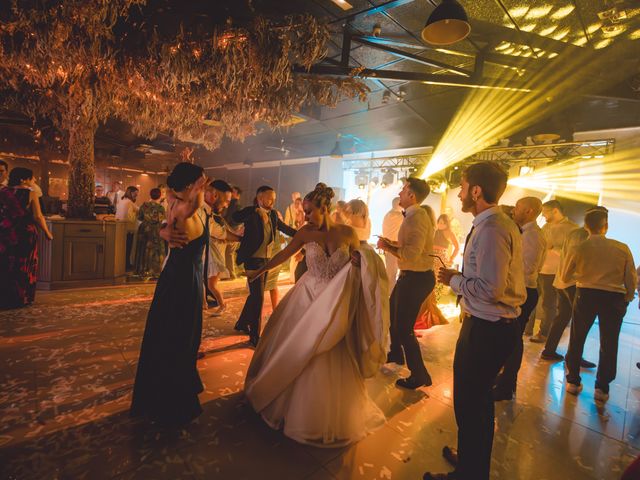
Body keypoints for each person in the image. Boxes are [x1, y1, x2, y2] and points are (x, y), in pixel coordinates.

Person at [244, 184, 389, 447]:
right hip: (307, 298)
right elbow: (283, 254)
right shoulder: (304, 233)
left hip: (336, 302)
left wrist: (358, 262)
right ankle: (289, 404)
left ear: (325, 209)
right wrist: (259, 271)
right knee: (299, 345)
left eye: (309, 212)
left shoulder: (347, 233)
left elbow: (365, 258)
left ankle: (326, 417)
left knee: (331, 350)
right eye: (304, 212)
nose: (305, 217)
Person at [426, 162, 525, 480]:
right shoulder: (493, 224)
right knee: (474, 402)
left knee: (472, 404)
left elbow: (491, 289)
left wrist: (454, 281)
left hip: (487, 328)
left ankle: (470, 472)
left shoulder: (493, 228)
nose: (459, 192)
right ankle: (471, 461)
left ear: (477, 191)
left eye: (463, 186)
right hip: (487, 325)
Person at [130, 162, 209, 426]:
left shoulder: (177, 204)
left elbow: (173, 215)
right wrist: (195, 196)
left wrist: (164, 231)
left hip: (184, 278)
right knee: (179, 338)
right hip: (181, 282)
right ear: (191, 186)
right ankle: (172, 402)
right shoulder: (184, 208)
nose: (205, 184)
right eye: (201, 181)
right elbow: (190, 208)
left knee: (177, 336)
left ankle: (169, 393)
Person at [563, 208, 637, 404]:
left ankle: (572, 381)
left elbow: (565, 276)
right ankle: (602, 387)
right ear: (606, 226)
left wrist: (583, 277)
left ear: (586, 226)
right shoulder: (622, 248)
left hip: (586, 294)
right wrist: (628, 297)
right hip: (614, 298)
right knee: (609, 342)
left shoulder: (580, 248)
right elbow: (630, 277)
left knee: (577, 337)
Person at [377, 177, 435, 389]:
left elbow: (411, 254)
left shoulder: (417, 217)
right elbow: (410, 247)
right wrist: (392, 244)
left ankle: (419, 374)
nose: (400, 193)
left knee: (404, 328)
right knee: (392, 315)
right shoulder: (412, 215)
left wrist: (386, 246)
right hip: (410, 276)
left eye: (403, 190)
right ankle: (395, 354)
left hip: (417, 278)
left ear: (412, 196)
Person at [493, 197, 546, 401]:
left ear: (529, 212)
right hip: (519, 290)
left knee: (514, 341)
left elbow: (527, 268)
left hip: (524, 291)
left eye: (518, 208)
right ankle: (505, 379)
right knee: (509, 339)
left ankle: (507, 386)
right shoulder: (524, 232)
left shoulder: (533, 236)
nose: (514, 210)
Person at [540, 206, 609, 366]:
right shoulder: (586, 236)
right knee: (580, 322)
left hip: (561, 281)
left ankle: (549, 351)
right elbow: (579, 261)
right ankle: (574, 357)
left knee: (562, 317)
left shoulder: (574, 233)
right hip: (573, 283)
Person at [232, 186, 297, 346]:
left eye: (274, 198)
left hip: (267, 260)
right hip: (253, 260)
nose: (273, 201)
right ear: (260, 198)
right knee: (259, 297)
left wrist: (302, 234)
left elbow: (285, 229)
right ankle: (254, 336)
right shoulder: (251, 212)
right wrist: (255, 211)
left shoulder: (274, 214)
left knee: (255, 295)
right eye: (269, 198)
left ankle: (241, 323)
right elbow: (235, 216)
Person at [0, 167, 54, 308]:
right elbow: (37, 216)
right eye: (32, 178)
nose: (34, 180)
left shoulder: (3, 192)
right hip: (24, 233)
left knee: (7, 264)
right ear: (23, 179)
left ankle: (5, 297)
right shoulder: (30, 193)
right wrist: (47, 233)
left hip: (6, 233)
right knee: (25, 265)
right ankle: (22, 297)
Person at [529, 200, 578, 342]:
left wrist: (553, 248)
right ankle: (526, 329)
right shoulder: (546, 226)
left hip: (553, 272)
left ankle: (544, 333)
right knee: (531, 299)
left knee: (548, 304)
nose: (542, 215)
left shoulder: (572, 229)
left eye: (545, 212)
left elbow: (572, 253)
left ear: (555, 210)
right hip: (538, 269)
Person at [204, 179, 239, 315]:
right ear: (215, 195)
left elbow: (222, 233)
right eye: (226, 201)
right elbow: (220, 232)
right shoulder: (202, 210)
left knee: (210, 284)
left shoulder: (212, 214)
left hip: (214, 258)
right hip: (209, 258)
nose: (226, 206)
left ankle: (215, 304)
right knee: (209, 284)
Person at [415, 207, 450, 331]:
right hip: (426, 263)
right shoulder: (431, 229)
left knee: (426, 293)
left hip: (427, 263)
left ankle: (423, 317)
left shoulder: (428, 230)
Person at [134, 188, 166, 278]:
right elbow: (162, 220)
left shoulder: (144, 205)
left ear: (150, 195)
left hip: (144, 229)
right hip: (156, 230)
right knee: (156, 250)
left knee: (143, 249)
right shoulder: (160, 208)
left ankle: (142, 270)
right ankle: (155, 271)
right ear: (160, 196)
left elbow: (139, 217)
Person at [116, 186, 139, 271]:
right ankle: (126, 265)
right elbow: (139, 211)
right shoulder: (129, 202)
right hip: (129, 228)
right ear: (132, 193)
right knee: (128, 248)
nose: (136, 196)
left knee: (122, 248)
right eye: (136, 194)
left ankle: (122, 264)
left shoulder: (121, 200)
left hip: (120, 227)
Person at [382, 197, 403, 291]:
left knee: (391, 270)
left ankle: (389, 290)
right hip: (392, 246)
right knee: (392, 272)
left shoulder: (388, 214)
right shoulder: (397, 215)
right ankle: (390, 292)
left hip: (389, 245)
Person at [223, 186, 242, 279]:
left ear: (237, 194)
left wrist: (230, 227)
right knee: (229, 252)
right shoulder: (237, 204)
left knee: (229, 252)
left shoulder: (234, 204)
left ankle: (230, 274)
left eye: (233, 192)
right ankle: (230, 273)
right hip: (234, 229)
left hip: (232, 229)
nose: (231, 192)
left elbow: (231, 217)